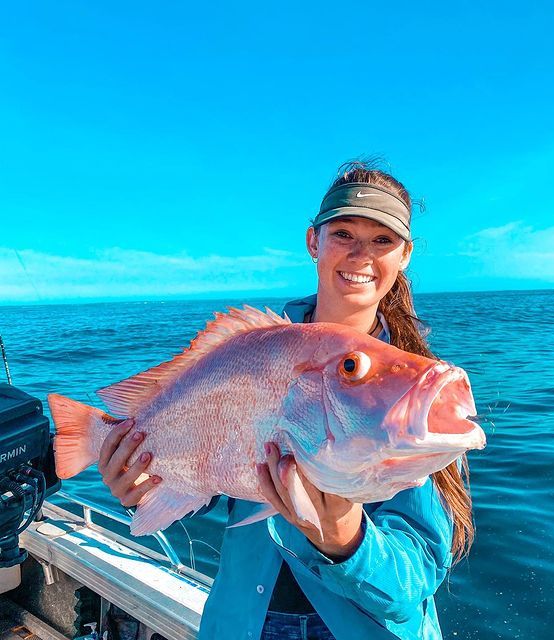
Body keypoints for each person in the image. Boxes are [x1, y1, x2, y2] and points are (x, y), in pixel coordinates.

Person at [97, 161, 476, 640]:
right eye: (343, 233)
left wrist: (344, 540)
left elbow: (414, 580)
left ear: (405, 256)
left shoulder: (416, 391)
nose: (361, 254)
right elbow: (215, 478)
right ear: (313, 242)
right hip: (242, 624)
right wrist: (142, 482)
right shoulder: (259, 351)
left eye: (382, 240)